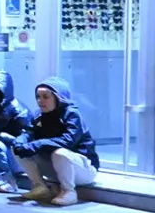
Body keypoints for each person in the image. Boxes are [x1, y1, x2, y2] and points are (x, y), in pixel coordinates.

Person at [12, 78, 99, 206]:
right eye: (38, 97)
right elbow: (28, 132)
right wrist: (20, 141)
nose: (40, 101)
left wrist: (38, 144)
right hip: (57, 167)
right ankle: (40, 187)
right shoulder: (39, 115)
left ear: (58, 98)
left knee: (60, 153)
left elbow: (68, 140)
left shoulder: (72, 115)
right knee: (17, 148)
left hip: (82, 170)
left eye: (45, 96)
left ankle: (68, 191)